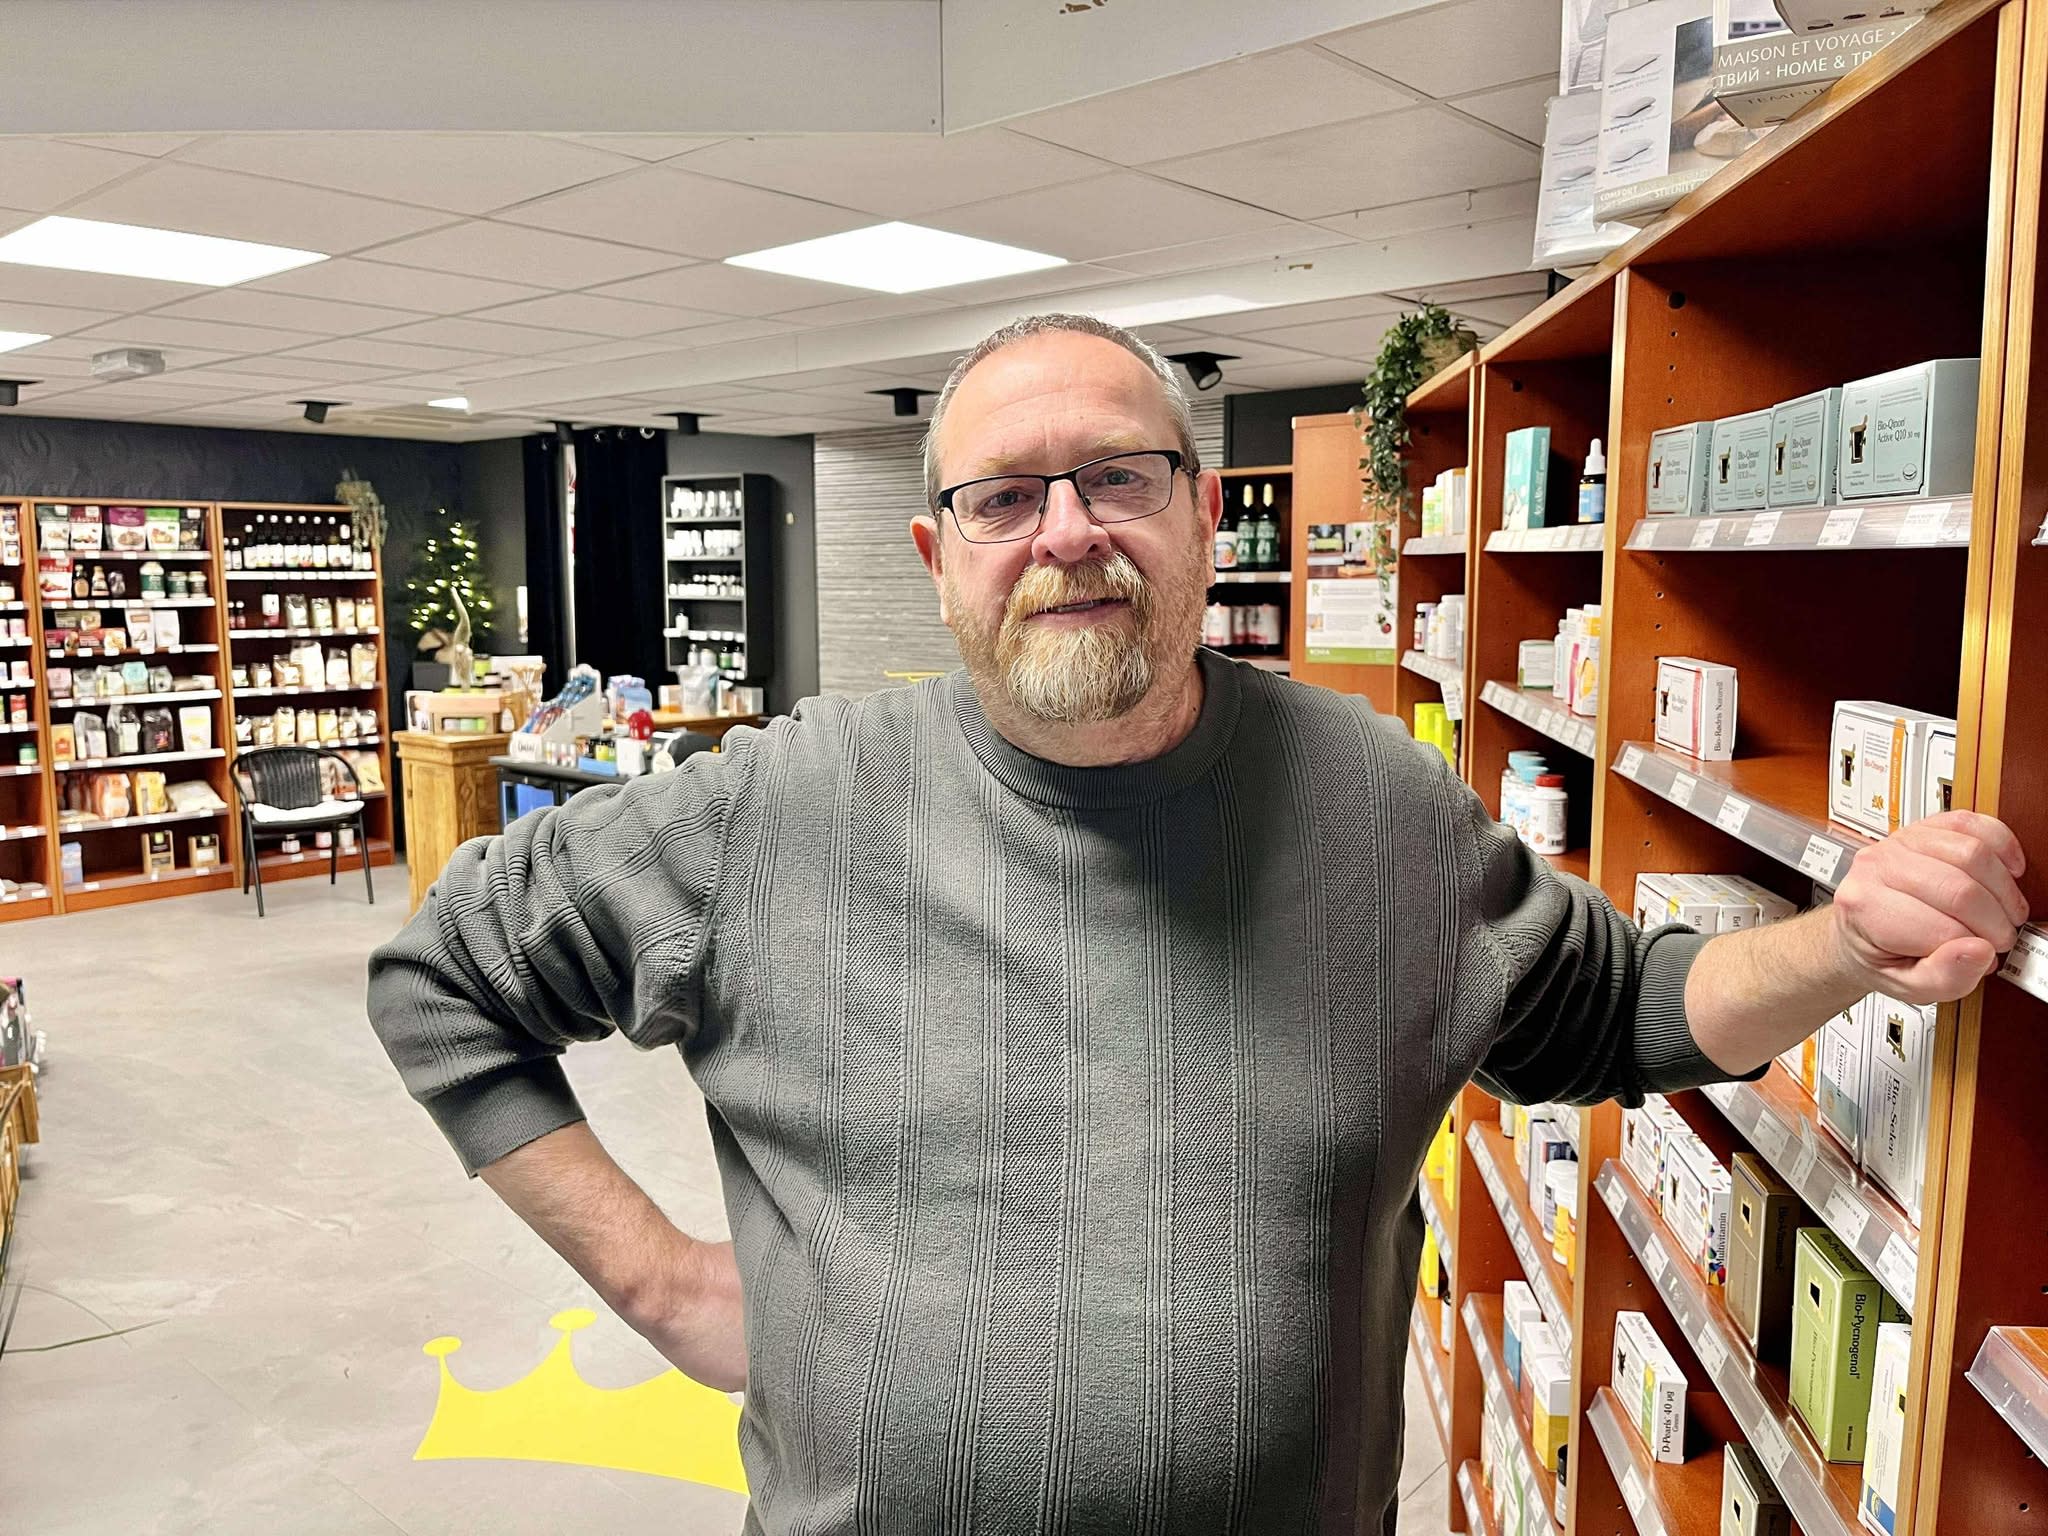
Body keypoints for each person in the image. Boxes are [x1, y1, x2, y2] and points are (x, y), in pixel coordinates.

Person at [367, 313, 2027, 1535]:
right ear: (938, 556)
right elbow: (445, 977)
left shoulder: (1374, 808)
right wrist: (659, 1281)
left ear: (1202, 512)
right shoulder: (772, 812)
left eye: (1119, 477)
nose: (1067, 533)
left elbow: (1627, 1011)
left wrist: (1848, 943)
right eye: (1005, 500)